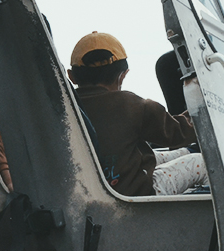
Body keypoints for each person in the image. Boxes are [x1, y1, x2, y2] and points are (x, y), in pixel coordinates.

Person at [68, 31, 207, 197]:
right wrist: (202, 110)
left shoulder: (67, 107)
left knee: (163, 154)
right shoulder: (131, 105)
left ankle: (188, 151)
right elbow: (179, 132)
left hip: (90, 191)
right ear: (123, 75)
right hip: (134, 193)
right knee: (200, 163)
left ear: (72, 77)